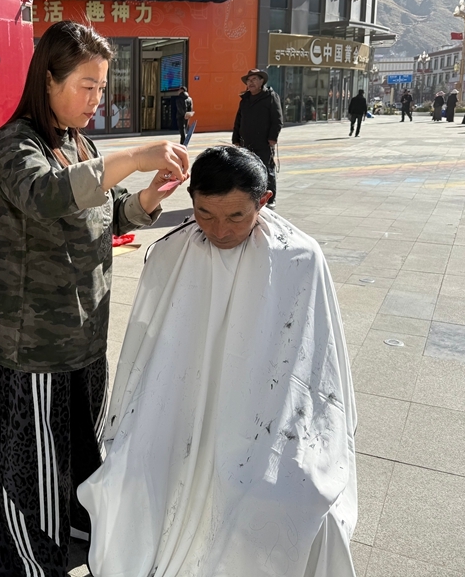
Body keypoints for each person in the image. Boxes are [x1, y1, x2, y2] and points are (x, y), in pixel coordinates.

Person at [79, 146, 357, 577]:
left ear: (263, 201)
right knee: (136, 471)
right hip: (181, 412)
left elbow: (313, 364)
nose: (220, 231)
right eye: (204, 214)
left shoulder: (300, 258)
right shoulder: (171, 252)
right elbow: (149, 355)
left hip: (267, 420)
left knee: (288, 497)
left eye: (236, 217)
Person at [0, 20, 189, 577]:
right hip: (33, 347)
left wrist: (147, 197)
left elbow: (110, 211)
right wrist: (136, 156)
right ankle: (30, 563)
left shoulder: (80, 143)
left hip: (84, 336)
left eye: (102, 86)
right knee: (31, 468)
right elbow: (45, 195)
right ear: (48, 80)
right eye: (86, 85)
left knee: (77, 451)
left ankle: (74, 529)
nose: (97, 99)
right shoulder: (15, 144)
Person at [232, 68, 283, 209]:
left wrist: (272, 138)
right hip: (246, 142)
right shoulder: (245, 99)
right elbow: (238, 120)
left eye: (254, 79)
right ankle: (251, 196)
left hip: (264, 142)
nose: (251, 82)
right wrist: (235, 139)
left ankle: (270, 198)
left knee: (266, 169)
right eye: (249, 80)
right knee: (247, 169)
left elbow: (277, 120)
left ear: (262, 81)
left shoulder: (270, 97)